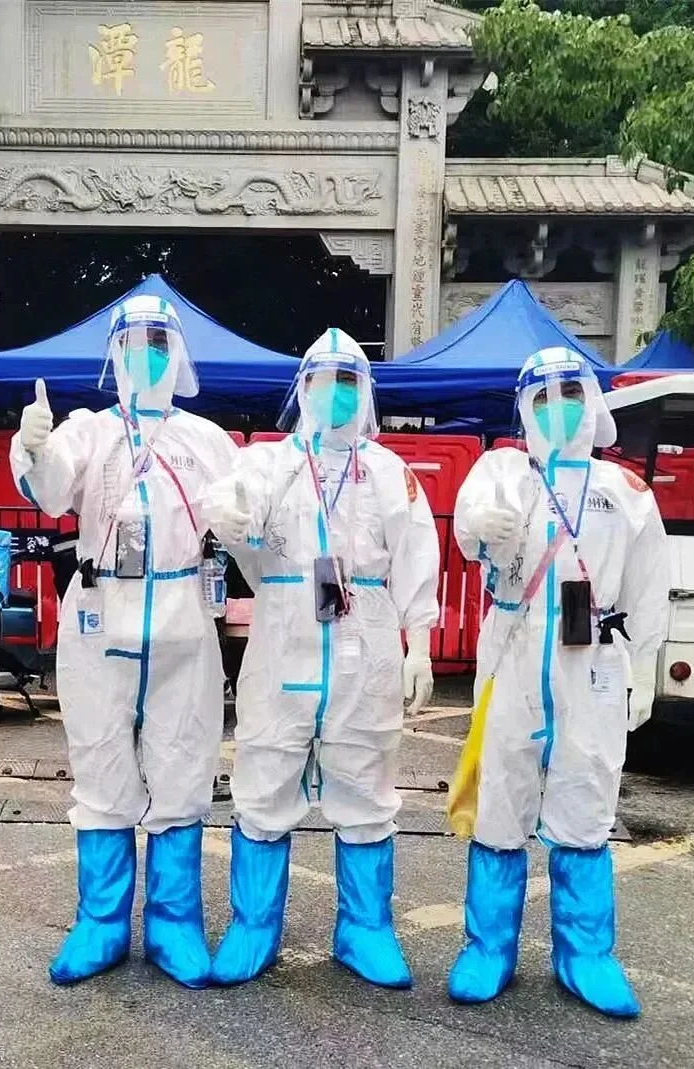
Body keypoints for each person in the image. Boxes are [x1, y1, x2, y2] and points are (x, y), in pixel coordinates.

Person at [10, 294, 238, 988]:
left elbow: (246, 514)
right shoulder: (91, 430)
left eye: (159, 343)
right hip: (100, 612)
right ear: (115, 353)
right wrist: (33, 446)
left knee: (183, 762)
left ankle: (174, 923)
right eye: (134, 343)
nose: (147, 355)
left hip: (181, 616)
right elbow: (52, 490)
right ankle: (101, 922)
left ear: (179, 354)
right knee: (101, 761)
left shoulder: (206, 440)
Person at [202, 328, 440, 989]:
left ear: (365, 391)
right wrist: (231, 515)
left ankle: (366, 929)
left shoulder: (389, 473)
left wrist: (420, 642)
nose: (336, 393)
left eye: (349, 380)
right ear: (302, 388)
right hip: (284, 633)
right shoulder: (268, 463)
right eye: (323, 379)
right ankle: (253, 925)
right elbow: (239, 517)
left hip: (365, 639)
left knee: (365, 779)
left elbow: (417, 555)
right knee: (265, 769)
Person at [448, 346, 669, 1018]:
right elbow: (467, 530)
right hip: (514, 650)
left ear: (591, 401)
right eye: (540, 397)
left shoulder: (624, 491)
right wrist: (478, 526)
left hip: (592, 659)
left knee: (586, 795)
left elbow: (649, 584)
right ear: (522, 406)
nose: (556, 408)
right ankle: (488, 947)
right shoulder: (501, 470)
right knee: (500, 797)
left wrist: (644, 666)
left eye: (569, 393)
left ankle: (586, 954)